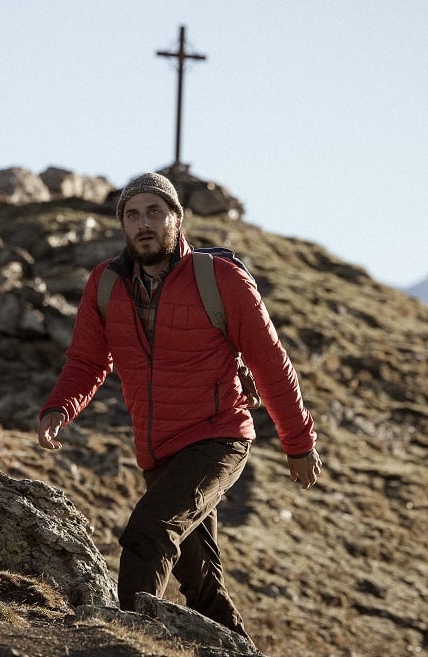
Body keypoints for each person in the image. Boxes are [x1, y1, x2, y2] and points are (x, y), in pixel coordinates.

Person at [37, 171, 321, 641]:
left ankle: (123, 644)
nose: (143, 223)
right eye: (132, 214)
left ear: (177, 218)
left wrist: (298, 442)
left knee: (148, 533)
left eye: (154, 211)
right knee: (202, 585)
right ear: (122, 224)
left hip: (218, 436)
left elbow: (271, 365)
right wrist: (59, 408)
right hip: (158, 450)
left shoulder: (220, 279)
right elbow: (88, 359)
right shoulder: (105, 284)